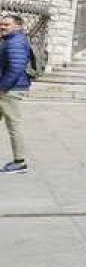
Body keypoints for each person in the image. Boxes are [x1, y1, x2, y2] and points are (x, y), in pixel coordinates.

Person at [0, 12, 32, 174]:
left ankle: (20, 162)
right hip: (7, 88)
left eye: (6, 25)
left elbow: (15, 68)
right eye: (1, 24)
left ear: (18, 26)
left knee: (14, 125)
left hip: (10, 90)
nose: (2, 27)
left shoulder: (16, 42)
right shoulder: (10, 40)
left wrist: (2, 88)